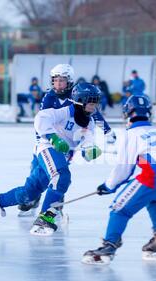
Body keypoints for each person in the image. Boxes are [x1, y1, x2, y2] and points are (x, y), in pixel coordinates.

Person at [0, 83, 104, 236]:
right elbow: (41, 118)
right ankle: (45, 217)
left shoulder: (89, 123)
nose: (94, 106)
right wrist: (54, 138)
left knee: (30, 194)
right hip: (46, 149)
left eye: (96, 102)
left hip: (59, 157)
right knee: (61, 176)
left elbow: (86, 142)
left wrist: (90, 151)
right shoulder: (62, 112)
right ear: (80, 101)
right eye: (91, 102)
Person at [81, 95, 156, 265]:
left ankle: (109, 245)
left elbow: (124, 170)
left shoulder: (131, 134)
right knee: (155, 200)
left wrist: (108, 186)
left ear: (127, 114)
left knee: (119, 209)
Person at [17, 64, 116, 217]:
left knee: (60, 171)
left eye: (61, 81)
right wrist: (42, 139)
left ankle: (56, 202)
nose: (58, 84)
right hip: (49, 140)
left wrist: (107, 130)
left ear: (69, 81)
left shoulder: (77, 95)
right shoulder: (49, 96)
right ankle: (33, 197)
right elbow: (42, 118)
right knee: (36, 168)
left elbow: (94, 114)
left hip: (69, 142)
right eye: (55, 80)